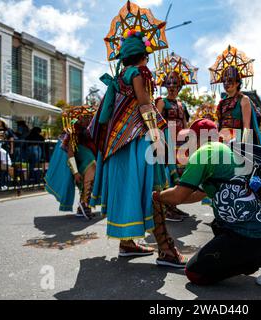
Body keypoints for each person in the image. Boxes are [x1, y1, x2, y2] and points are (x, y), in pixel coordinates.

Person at [89, 20, 187, 267]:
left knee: (128, 188)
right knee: (155, 189)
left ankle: (127, 243)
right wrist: (156, 134)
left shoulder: (121, 76)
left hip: (116, 144)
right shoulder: (141, 73)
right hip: (137, 140)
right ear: (144, 55)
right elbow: (145, 105)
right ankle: (165, 249)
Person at [154, 119, 261, 286]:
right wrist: (167, 197)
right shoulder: (228, 150)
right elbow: (196, 195)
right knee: (217, 224)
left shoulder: (204, 153)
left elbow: (178, 196)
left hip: (254, 234)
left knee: (195, 273)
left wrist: (155, 196)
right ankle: (257, 252)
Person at [155, 52, 197, 222]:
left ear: (180, 86)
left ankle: (173, 205)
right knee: (167, 175)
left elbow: (186, 124)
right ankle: (166, 208)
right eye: (169, 83)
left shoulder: (182, 104)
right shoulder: (161, 102)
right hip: (166, 142)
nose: (172, 87)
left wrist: (189, 142)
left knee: (180, 175)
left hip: (181, 144)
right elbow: (156, 123)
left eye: (175, 84)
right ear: (165, 85)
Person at [45, 107, 97, 219]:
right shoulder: (73, 128)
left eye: (90, 117)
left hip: (88, 156)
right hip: (77, 157)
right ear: (79, 117)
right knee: (92, 167)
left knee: (91, 175)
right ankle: (84, 204)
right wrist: (75, 172)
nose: (88, 120)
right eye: (85, 117)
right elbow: (70, 152)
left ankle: (83, 205)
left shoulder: (93, 128)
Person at [210, 46, 261, 145]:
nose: (226, 83)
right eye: (224, 80)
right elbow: (219, 125)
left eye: (230, 80)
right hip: (221, 141)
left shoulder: (244, 100)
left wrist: (244, 147)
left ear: (238, 83)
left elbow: (246, 126)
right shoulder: (222, 103)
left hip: (237, 141)